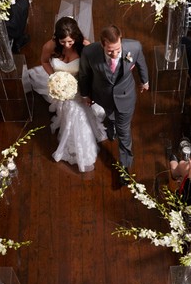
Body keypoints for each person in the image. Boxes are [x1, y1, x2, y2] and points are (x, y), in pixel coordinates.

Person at [30, 17, 106, 172]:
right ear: (57, 38)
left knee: (79, 115)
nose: (66, 45)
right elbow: (44, 61)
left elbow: (94, 71)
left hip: (81, 88)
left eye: (70, 42)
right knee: (69, 113)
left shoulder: (86, 46)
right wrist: (54, 77)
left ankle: (84, 150)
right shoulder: (50, 46)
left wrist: (89, 93)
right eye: (63, 42)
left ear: (76, 38)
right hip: (62, 89)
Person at [79, 24, 149, 173]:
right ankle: (111, 129)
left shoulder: (134, 47)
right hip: (102, 96)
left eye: (118, 50)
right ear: (102, 44)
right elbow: (84, 75)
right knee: (110, 118)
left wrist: (145, 81)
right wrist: (85, 94)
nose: (115, 54)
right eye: (110, 51)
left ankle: (125, 167)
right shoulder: (89, 52)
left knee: (124, 131)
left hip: (126, 97)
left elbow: (141, 63)